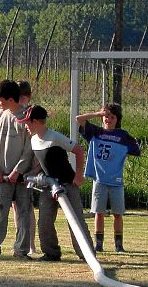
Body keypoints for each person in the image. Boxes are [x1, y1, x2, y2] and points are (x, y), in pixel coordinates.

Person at [17, 105, 94, 262]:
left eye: (27, 123)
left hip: (66, 184)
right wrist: (29, 175)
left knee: (75, 220)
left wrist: (78, 176)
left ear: (36, 122)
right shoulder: (33, 140)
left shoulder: (55, 137)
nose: (25, 126)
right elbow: (41, 163)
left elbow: (79, 151)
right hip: (48, 186)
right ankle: (51, 253)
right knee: (44, 221)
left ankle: (86, 253)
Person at [76, 103, 141, 253]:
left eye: (112, 117)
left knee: (117, 213)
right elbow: (79, 119)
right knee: (99, 212)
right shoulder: (95, 132)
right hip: (99, 179)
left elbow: (136, 150)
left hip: (116, 181)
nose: (108, 119)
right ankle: (99, 244)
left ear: (117, 119)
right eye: (106, 116)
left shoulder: (122, 136)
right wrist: (97, 114)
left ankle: (119, 245)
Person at [0, 79, 33, 260]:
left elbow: (29, 149)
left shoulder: (26, 117)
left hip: (22, 178)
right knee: (0, 211)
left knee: (23, 213)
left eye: (0, 100)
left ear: (11, 99)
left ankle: (21, 250)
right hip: (2, 176)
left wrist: (18, 171)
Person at [11, 80, 38, 256]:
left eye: (22, 97)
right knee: (16, 207)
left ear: (27, 98)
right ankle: (20, 240)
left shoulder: (31, 115)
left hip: (26, 169)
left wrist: (23, 169)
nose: (20, 101)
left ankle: (31, 244)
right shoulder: (8, 114)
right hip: (11, 168)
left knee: (26, 207)